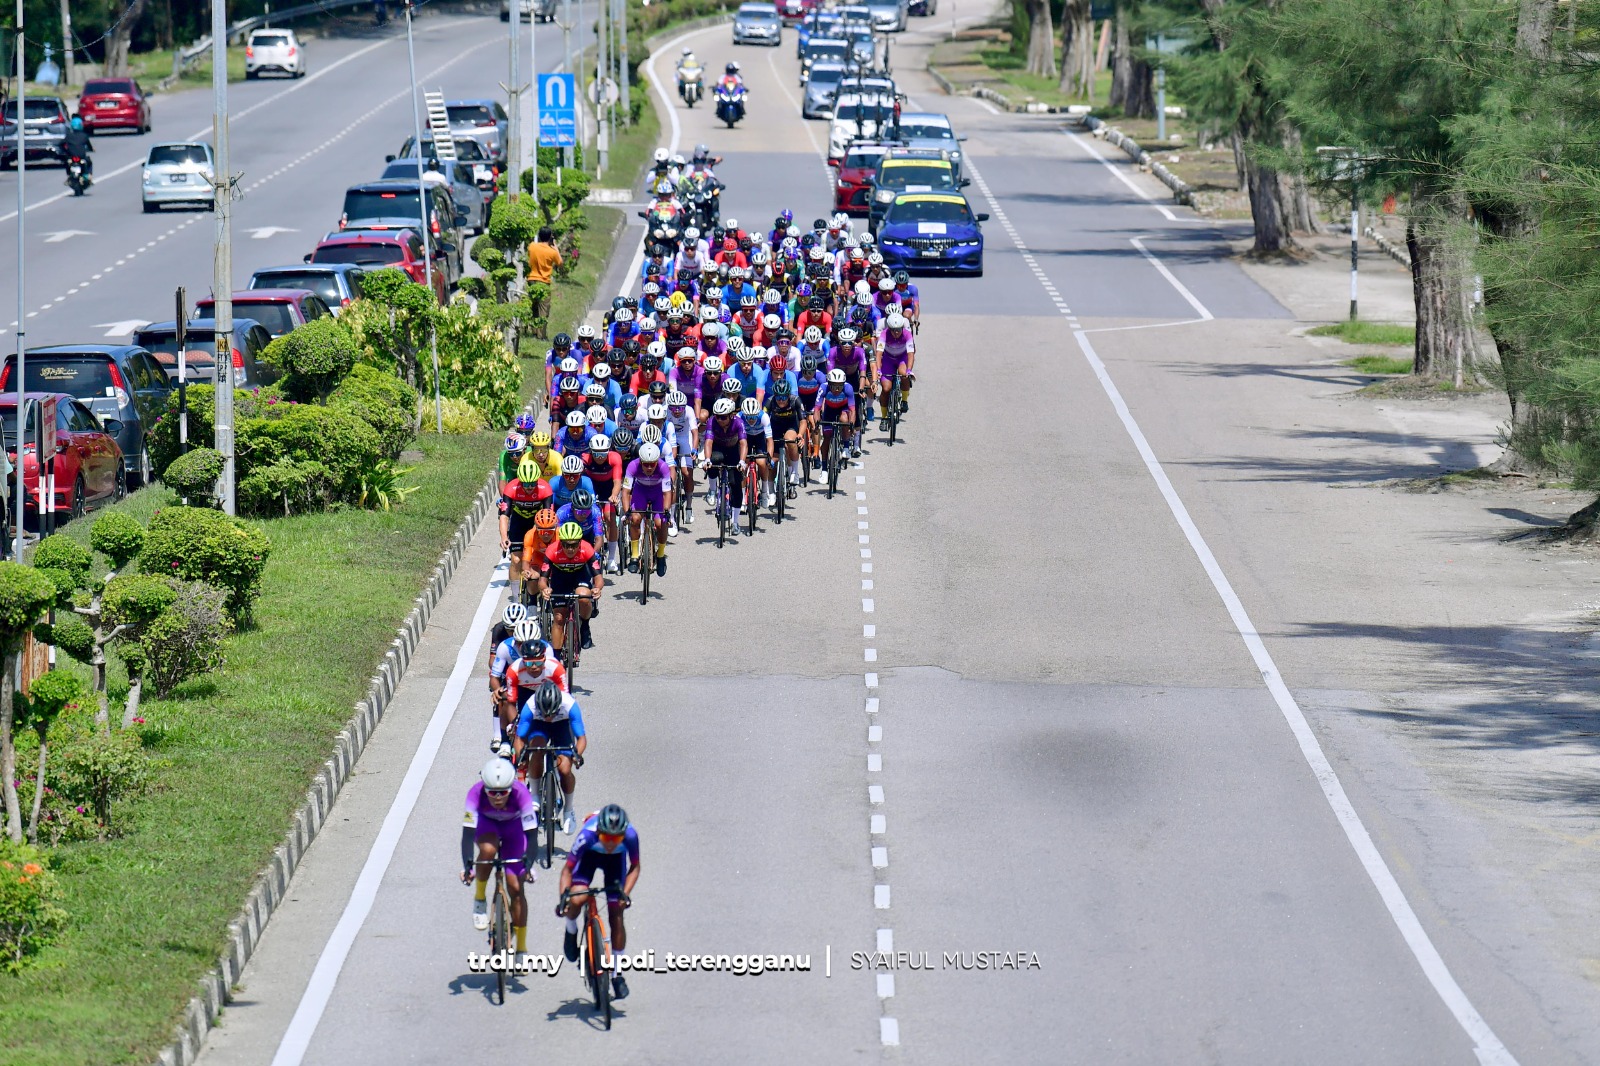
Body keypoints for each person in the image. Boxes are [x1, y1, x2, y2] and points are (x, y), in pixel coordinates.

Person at [558, 803, 640, 1001]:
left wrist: (625, 894)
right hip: (589, 858)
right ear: (599, 832)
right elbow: (567, 871)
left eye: (616, 838)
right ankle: (571, 930)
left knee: (617, 914)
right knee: (577, 899)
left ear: (623, 834)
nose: (611, 843)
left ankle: (617, 975)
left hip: (615, 862)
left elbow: (635, 867)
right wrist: (564, 898)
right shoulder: (587, 836)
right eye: (606, 837)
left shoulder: (630, 836)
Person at [461, 758, 536, 968]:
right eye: (492, 792)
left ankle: (521, 948)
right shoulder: (475, 794)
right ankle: (480, 899)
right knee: (488, 850)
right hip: (487, 826)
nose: (497, 797)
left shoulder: (522, 794)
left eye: (503, 792)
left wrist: (528, 865)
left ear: (511, 788)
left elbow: (531, 837)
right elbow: (467, 835)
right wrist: (467, 865)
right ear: (484, 788)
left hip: (514, 830)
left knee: (515, 887)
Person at [514, 680, 587, 835]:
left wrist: (577, 755)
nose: (548, 716)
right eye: (545, 712)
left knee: (565, 769)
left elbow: (581, 739)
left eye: (552, 712)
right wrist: (522, 757)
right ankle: (535, 796)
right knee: (537, 749)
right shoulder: (530, 706)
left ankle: (568, 809)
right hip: (538, 727)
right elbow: (519, 738)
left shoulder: (570, 705)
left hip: (562, 727)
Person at [623, 441, 673, 577]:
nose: (649, 467)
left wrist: (667, 512)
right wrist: (627, 511)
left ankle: (661, 555)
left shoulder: (663, 467)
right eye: (646, 464)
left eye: (652, 464)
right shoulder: (632, 466)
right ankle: (634, 555)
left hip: (657, 493)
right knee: (635, 519)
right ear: (640, 461)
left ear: (657, 461)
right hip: (641, 491)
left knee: (660, 523)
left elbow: (667, 493)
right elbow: (626, 491)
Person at [526, 226, 563, 326]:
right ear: (550, 237)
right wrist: (555, 247)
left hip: (532, 279)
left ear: (539, 236)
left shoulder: (532, 246)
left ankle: (533, 330)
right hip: (544, 281)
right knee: (543, 308)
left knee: (534, 306)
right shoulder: (552, 252)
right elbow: (560, 262)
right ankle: (541, 334)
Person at [60, 116, 92, 181]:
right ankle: (88, 175)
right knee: (89, 162)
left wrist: (64, 150)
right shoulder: (84, 135)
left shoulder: (69, 135)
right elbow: (89, 145)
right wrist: (91, 149)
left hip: (71, 156)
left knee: (66, 163)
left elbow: (61, 144)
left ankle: (69, 175)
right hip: (81, 156)